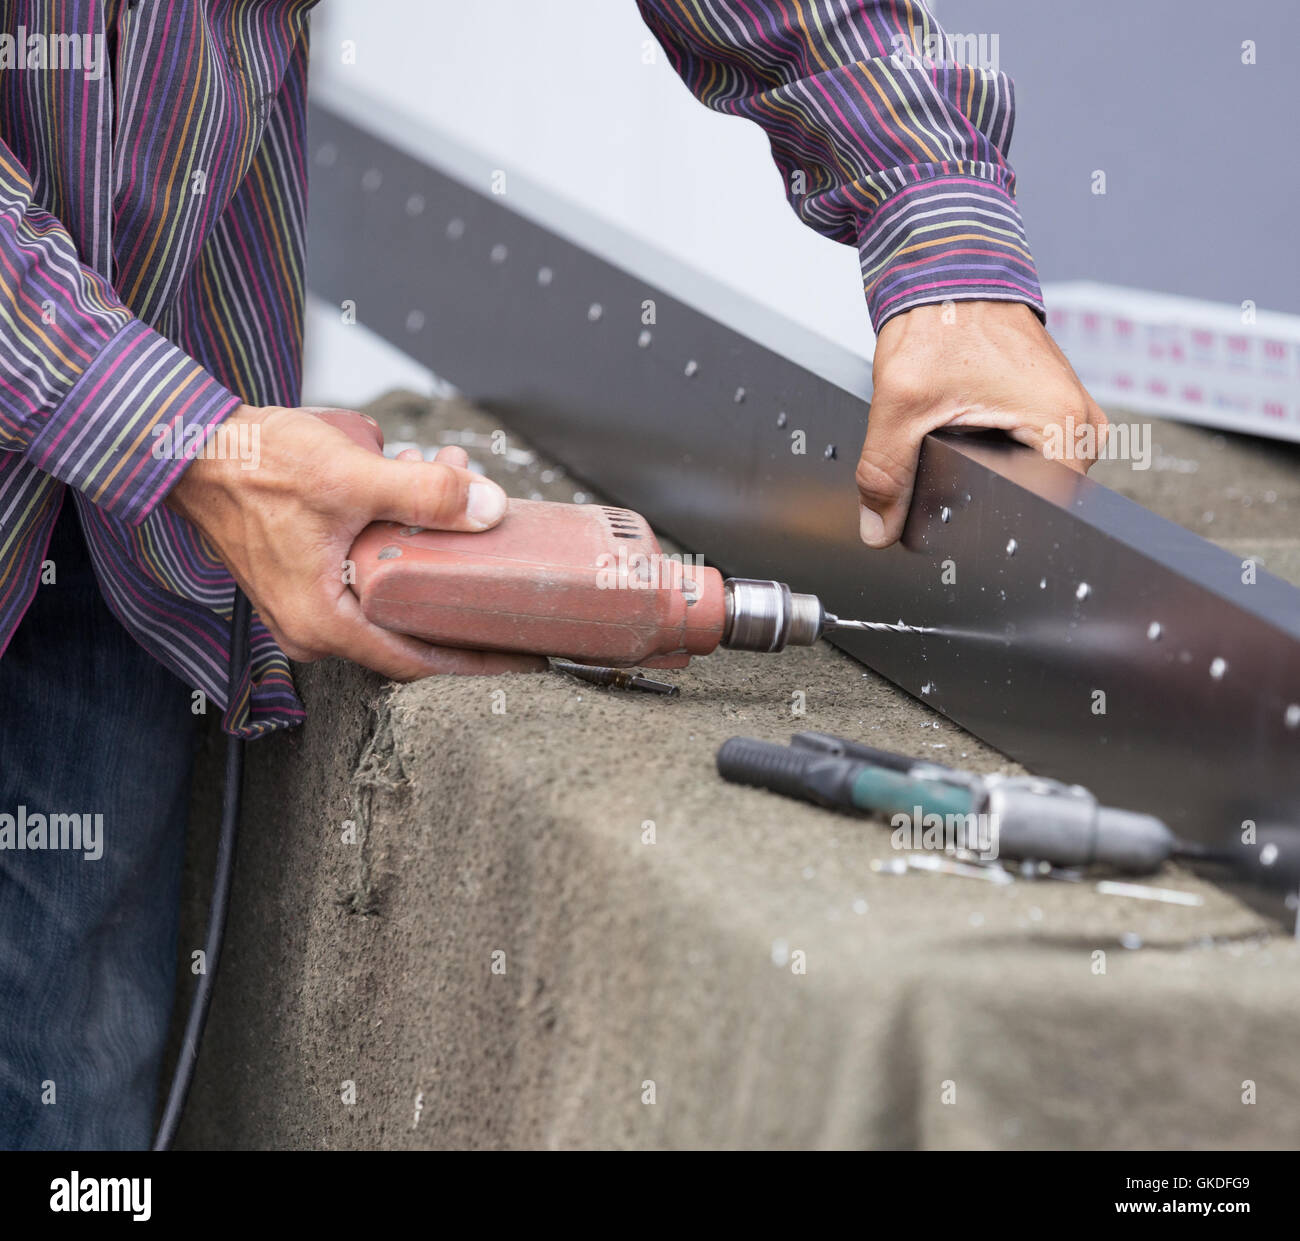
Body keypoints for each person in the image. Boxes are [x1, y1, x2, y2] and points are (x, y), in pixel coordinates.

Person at [0, 0, 1107, 1149]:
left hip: (118, 549)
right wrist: (174, 439)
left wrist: (946, 249)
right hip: (140, 448)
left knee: (68, 1090)